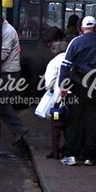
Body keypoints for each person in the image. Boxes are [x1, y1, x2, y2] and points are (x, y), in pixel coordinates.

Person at [59, 16, 96, 166]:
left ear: (81, 29)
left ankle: (71, 155)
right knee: (93, 122)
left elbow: (65, 65)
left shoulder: (75, 42)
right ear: (95, 28)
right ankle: (90, 156)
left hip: (77, 87)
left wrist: (63, 86)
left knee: (74, 121)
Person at [0, 18, 28, 145]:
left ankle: (19, 129)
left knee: (2, 103)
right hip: (7, 71)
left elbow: (3, 54)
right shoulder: (4, 29)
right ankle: (17, 130)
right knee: (2, 103)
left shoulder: (8, 31)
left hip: (9, 72)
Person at [41, 26, 68, 158]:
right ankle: (68, 148)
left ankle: (55, 151)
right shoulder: (72, 57)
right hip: (73, 99)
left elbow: (49, 83)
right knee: (69, 126)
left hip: (58, 101)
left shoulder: (54, 62)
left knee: (55, 126)